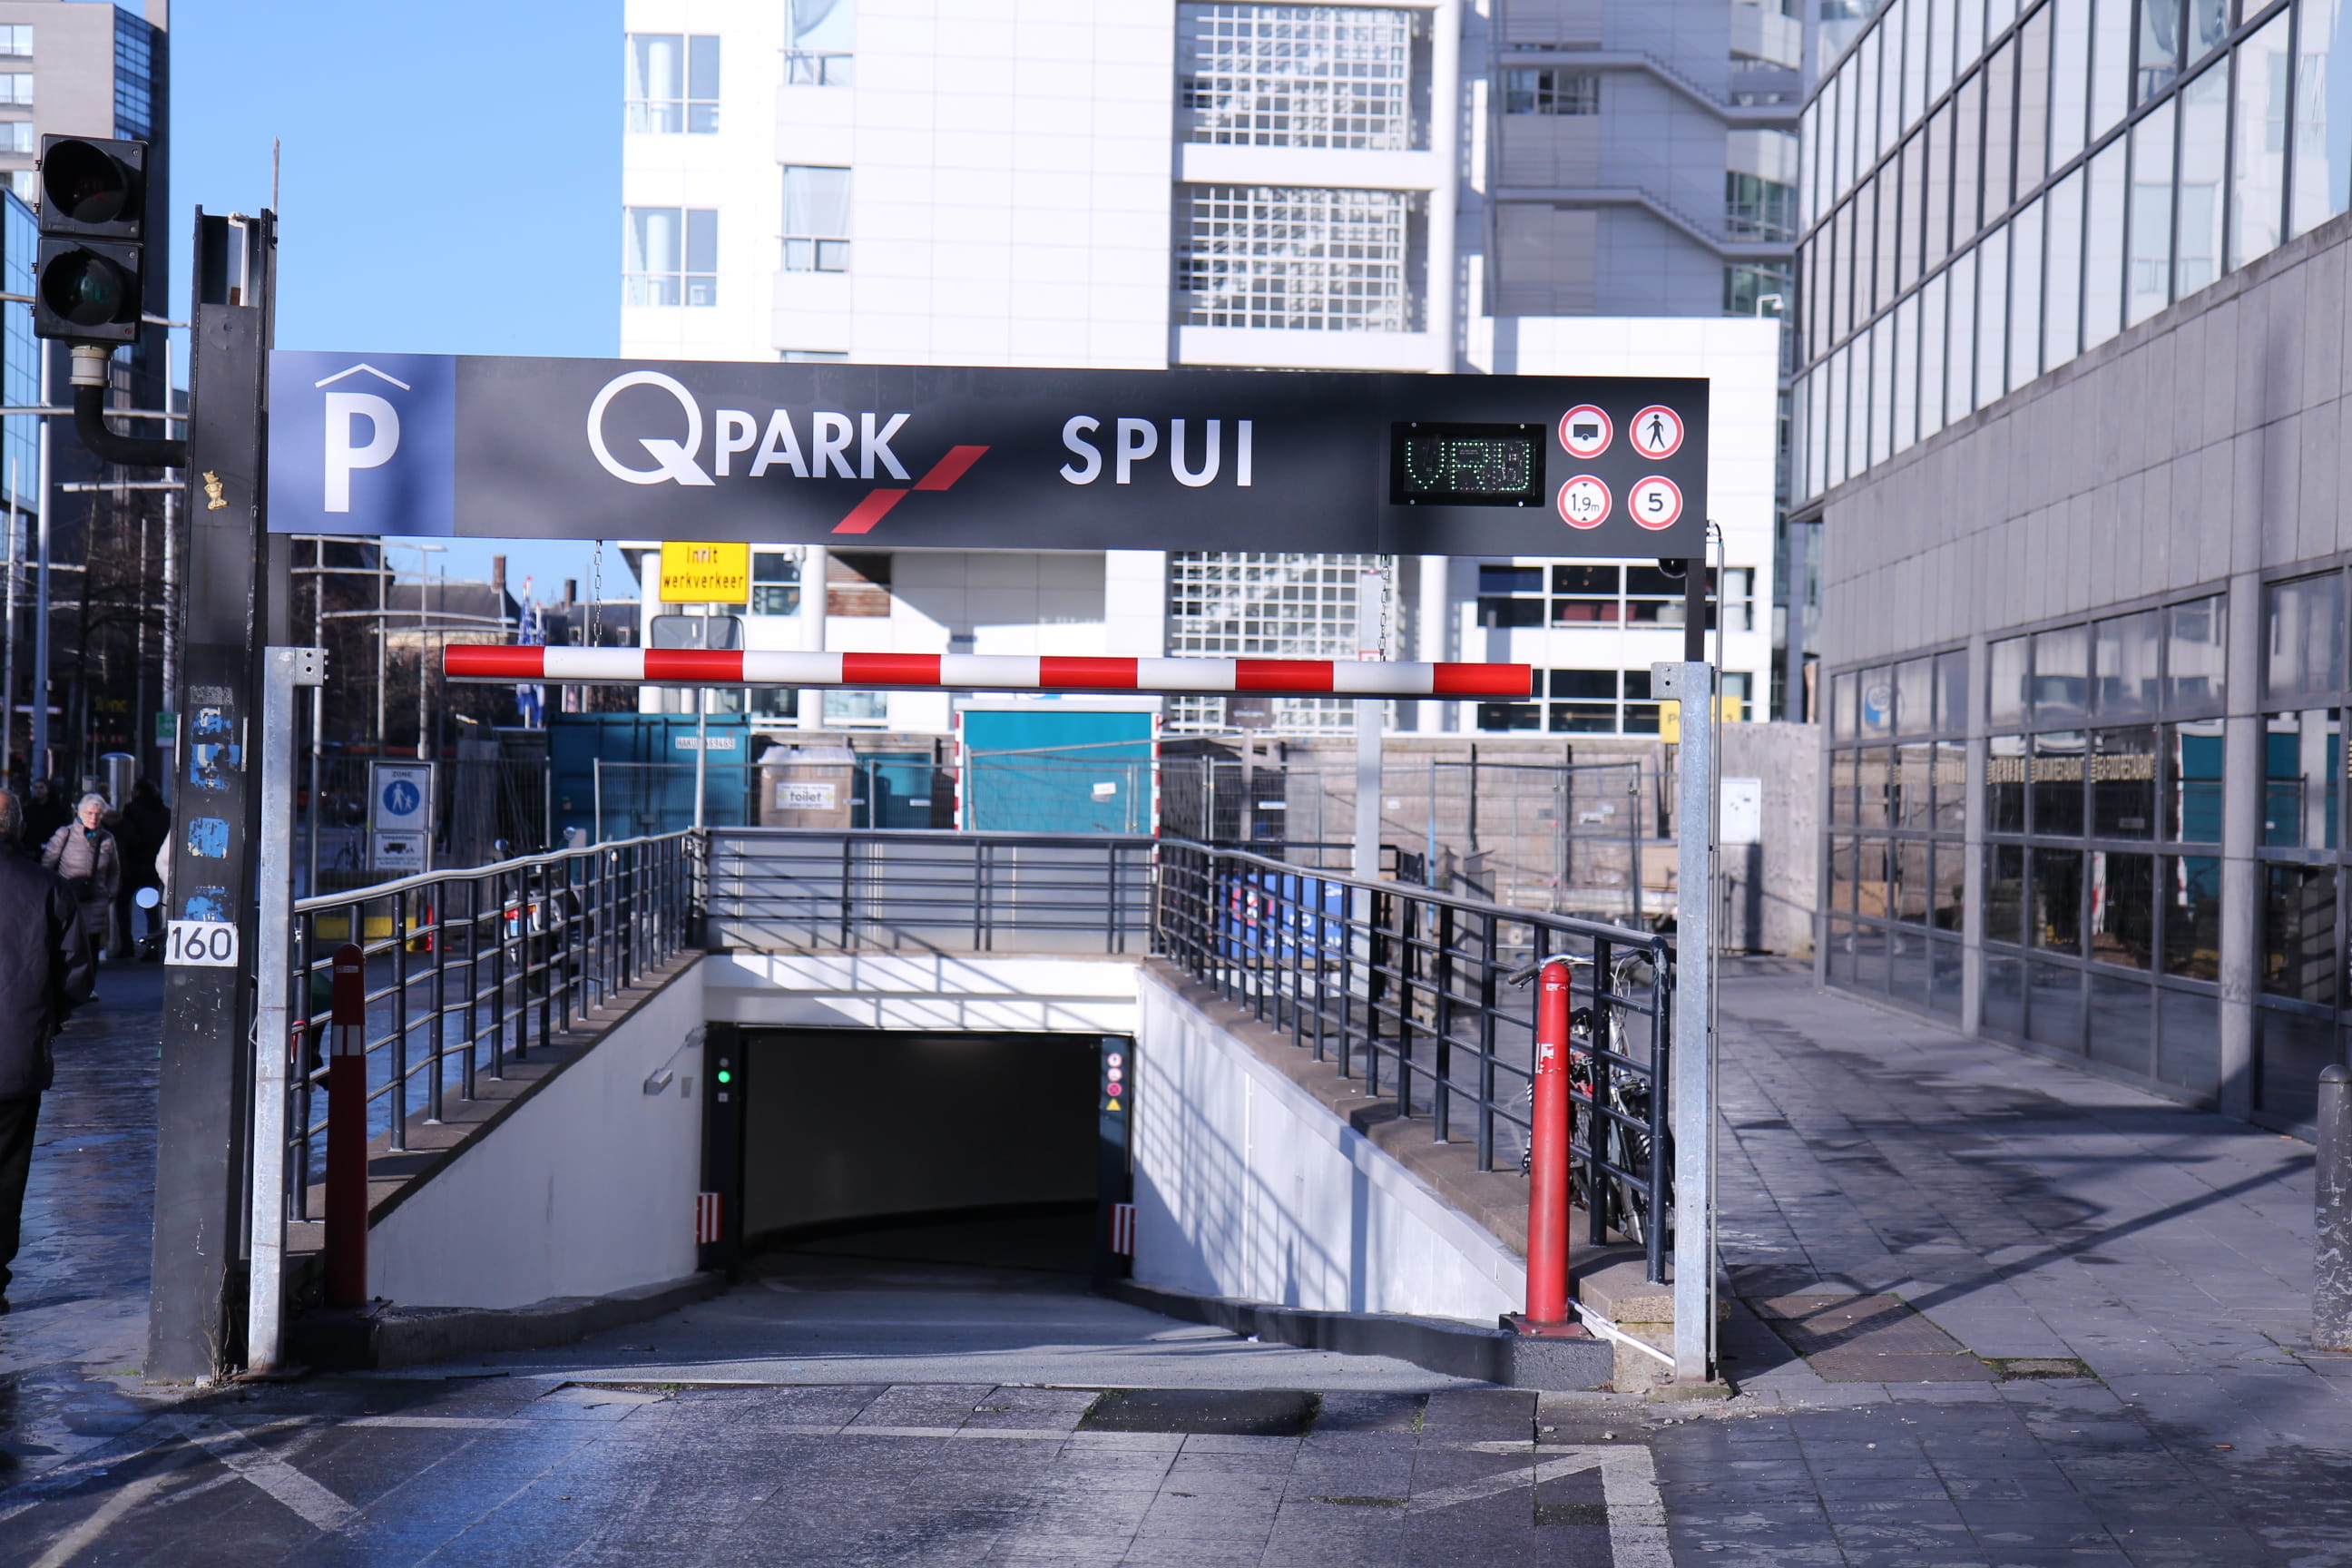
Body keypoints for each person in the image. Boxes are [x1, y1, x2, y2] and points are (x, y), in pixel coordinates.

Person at [0, 788, 96, 1311]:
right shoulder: (47, 888)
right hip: (17, 1057)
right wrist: (49, 1016)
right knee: (9, 1170)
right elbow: (77, 974)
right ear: (16, 827)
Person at [42, 793, 122, 969]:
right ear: (80, 813)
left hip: (96, 900)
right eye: (89, 813)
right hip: (69, 898)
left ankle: (89, 986)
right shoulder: (65, 834)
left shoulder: (107, 839)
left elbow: (114, 870)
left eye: (98, 814)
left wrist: (110, 892)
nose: (94, 818)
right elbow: (47, 865)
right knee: (68, 944)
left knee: (92, 946)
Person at [116, 779, 170, 960]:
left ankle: (126, 946)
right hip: (153, 867)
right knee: (152, 909)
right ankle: (153, 948)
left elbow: (127, 838)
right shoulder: (165, 813)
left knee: (122, 906)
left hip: (133, 865)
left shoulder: (131, 811)